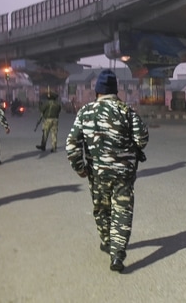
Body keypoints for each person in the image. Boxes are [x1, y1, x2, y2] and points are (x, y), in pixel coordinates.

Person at [66, 69, 149, 273]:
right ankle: (117, 254)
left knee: (102, 208)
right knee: (122, 210)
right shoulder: (126, 111)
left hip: (98, 172)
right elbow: (142, 139)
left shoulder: (85, 112)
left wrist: (80, 168)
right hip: (124, 173)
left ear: (97, 92)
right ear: (115, 91)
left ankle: (106, 241)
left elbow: (71, 144)